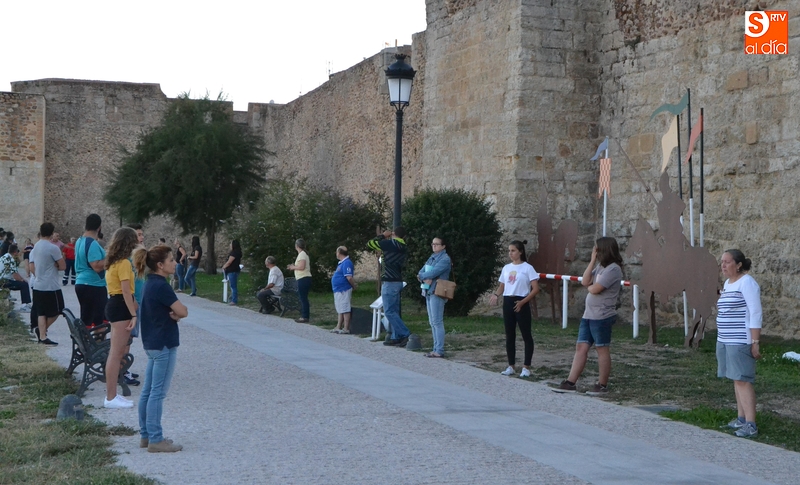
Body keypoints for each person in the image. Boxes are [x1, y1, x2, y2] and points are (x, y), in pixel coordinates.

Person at [134, 244, 187, 453]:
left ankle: (146, 435)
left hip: (152, 342)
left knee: (148, 391)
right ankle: (156, 439)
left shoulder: (148, 283)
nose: (174, 263)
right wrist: (178, 315)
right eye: (171, 260)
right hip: (164, 343)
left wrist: (175, 315)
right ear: (160, 265)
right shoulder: (162, 286)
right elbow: (183, 310)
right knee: (157, 393)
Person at [552, 237, 623, 394]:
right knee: (581, 347)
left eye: (596, 249)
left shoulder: (613, 269)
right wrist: (592, 261)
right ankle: (571, 382)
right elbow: (585, 281)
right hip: (589, 315)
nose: (594, 251)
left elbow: (595, 288)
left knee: (601, 348)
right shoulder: (600, 266)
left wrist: (590, 288)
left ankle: (602, 385)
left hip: (602, 315)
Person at [717, 249, 762, 438]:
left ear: (738, 265)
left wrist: (755, 341)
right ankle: (741, 418)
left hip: (740, 339)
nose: (723, 265)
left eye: (727, 262)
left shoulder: (747, 283)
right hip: (725, 339)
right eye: (722, 262)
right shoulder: (728, 284)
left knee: (743, 380)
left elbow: (755, 312)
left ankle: (751, 424)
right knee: (736, 378)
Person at [489, 240, 539, 377]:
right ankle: (511, 365)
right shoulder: (506, 268)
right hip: (508, 301)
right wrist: (496, 295)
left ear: (520, 252)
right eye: (509, 251)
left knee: (526, 334)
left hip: (521, 300)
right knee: (509, 335)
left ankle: (526, 367)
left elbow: (535, 289)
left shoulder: (528, 268)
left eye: (513, 251)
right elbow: (502, 285)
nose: (510, 253)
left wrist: (523, 302)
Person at [103, 227, 140, 409]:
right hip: (121, 306)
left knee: (115, 352)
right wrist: (133, 314)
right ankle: (111, 397)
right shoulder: (124, 263)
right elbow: (126, 291)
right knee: (116, 354)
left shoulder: (112, 262)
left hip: (114, 303)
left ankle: (113, 395)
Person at [368, 227, 410, 347]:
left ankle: (405, 334)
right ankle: (396, 336)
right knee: (394, 311)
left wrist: (383, 236)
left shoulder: (389, 244)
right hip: (397, 280)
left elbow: (370, 243)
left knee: (389, 311)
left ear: (393, 233)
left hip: (389, 281)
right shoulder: (403, 246)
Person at [29, 223, 66, 346]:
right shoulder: (53, 248)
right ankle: (42, 331)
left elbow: (32, 266)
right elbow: (63, 266)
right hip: (50, 285)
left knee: (41, 312)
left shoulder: (35, 247)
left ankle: (42, 336)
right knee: (58, 310)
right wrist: (55, 265)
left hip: (38, 284)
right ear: (51, 233)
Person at [417, 237, 451, 358]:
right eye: (433, 244)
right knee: (432, 322)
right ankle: (435, 348)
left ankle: (439, 350)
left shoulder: (445, 259)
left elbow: (433, 273)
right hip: (428, 291)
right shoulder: (431, 257)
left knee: (437, 321)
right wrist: (423, 277)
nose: (434, 246)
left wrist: (423, 276)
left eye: (437, 244)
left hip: (437, 292)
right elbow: (420, 272)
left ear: (443, 246)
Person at [75, 214, 108, 328]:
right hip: (93, 284)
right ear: (99, 228)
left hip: (82, 282)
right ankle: (95, 339)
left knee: (87, 319)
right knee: (99, 322)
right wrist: (111, 259)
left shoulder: (80, 241)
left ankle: (85, 339)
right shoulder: (92, 243)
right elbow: (96, 266)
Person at [331, 246, 357, 334]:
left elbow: (349, 277)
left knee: (345, 308)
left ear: (339, 253)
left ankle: (346, 328)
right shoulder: (342, 263)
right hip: (338, 290)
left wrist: (353, 286)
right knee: (340, 308)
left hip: (344, 289)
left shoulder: (347, 263)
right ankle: (338, 326)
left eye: (336, 252)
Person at [0, 245, 33, 312]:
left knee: (20, 282)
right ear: (15, 252)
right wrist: (22, 280)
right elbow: (15, 275)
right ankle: (24, 305)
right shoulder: (11, 259)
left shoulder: (4, 257)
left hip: (2, 280)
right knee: (24, 285)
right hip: (5, 282)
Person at [287, 239, 312, 323]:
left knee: (303, 298)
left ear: (296, 246)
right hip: (303, 278)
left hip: (303, 278)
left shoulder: (302, 254)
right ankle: (304, 315)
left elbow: (302, 267)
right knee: (303, 297)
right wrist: (294, 266)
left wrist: (293, 267)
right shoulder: (303, 254)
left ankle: (305, 316)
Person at [222, 240, 242, 306]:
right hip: (236, 270)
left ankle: (234, 300)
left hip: (232, 271)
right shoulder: (238, 252)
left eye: (231, 244)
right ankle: (231, 298)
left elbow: (229, 262)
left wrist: (224, 266)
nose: (230, 245)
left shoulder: (234, 253)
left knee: (233, 286)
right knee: (233, 286)